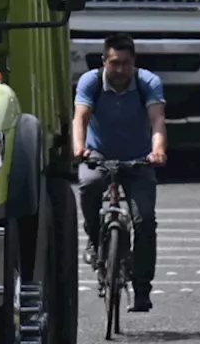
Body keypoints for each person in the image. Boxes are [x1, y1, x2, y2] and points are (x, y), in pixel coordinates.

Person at [72, 33, 167, 313]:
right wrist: (79, 148)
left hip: (138, 158)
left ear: (134, 62)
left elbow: (157, 120)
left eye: (126, 63)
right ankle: (93, 239)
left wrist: (157, 150)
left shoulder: (147, 82)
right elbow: (80, 118)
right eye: (114, 63)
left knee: (145, 220)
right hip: (98, 154)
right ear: (104, 62)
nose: (120, 70)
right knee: (89, 186)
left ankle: (141, 289)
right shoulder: (91, 82)